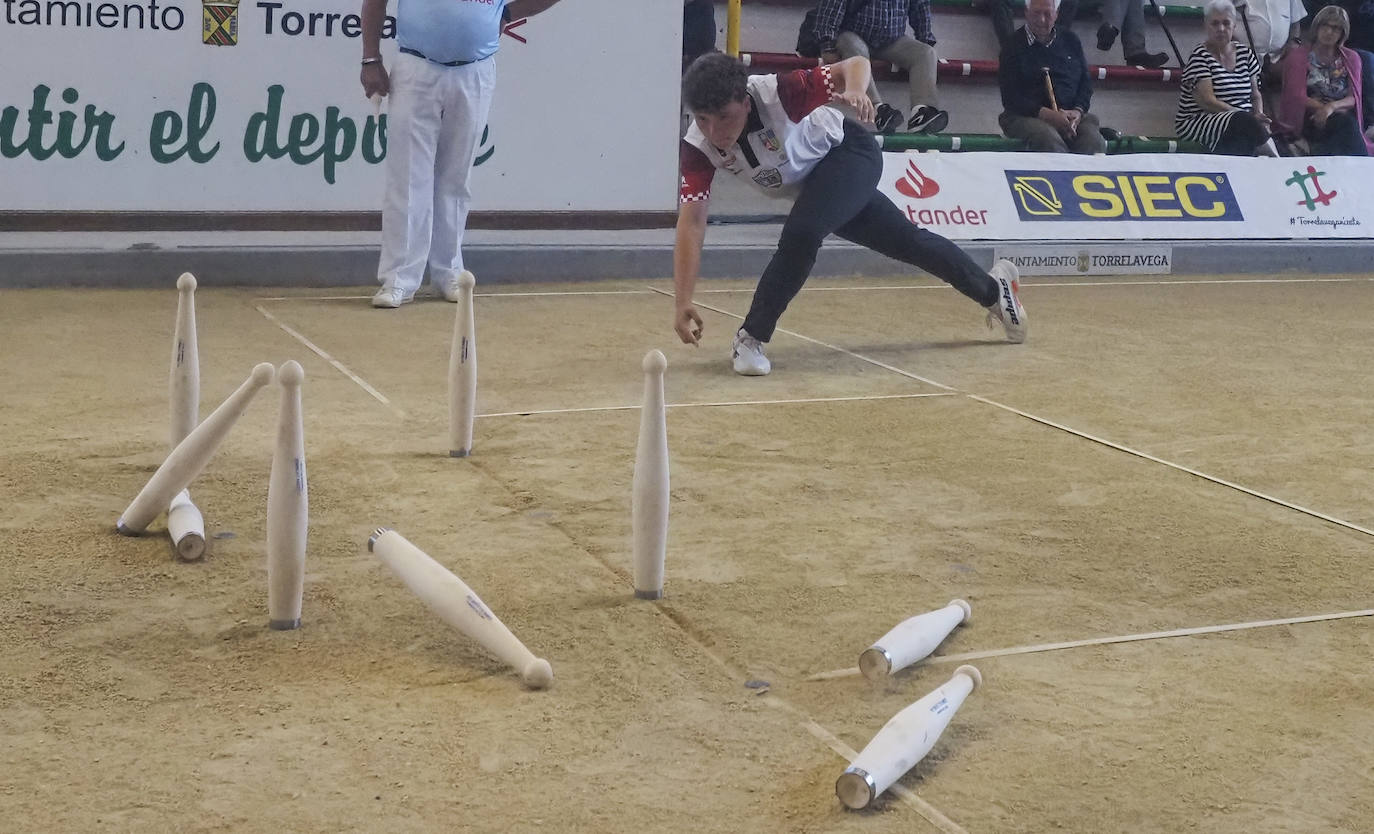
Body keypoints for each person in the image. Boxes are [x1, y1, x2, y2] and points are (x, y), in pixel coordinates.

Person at [673, 53, 1026, 377]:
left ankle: (750, 338)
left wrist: (857, 91)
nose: (715, 133)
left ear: (746, 103)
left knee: (802, 233)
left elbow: (853, 64)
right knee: (909, 242)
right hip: (818, 187)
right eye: (703, 120)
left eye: (725, 118)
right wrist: (683, 300)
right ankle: (994, 291)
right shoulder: (698, 148)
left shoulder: (781, 93)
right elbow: (692, 222)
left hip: (849, 153)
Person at [360, 0, 565, 309]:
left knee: (456, 179)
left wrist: (508, 13)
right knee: (407, 177)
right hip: (416, 67)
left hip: (475, 70)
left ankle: (449, 272)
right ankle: (399, 278)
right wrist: (370, 58)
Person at [810, 0, 951, 134]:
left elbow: (920, 8)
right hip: (853, 34)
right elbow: (830, 9)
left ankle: (921, 112)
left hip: (891, 40)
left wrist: (925, 40)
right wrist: (827, 46)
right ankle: (877, 109)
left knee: (926, 52)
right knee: (851, 44)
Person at [998, 0, 1109, 153]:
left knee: (1094, 141)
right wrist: (1047, 114)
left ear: (1056, 15)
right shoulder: (1012, 45)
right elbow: (1011, 97)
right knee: (1049, 139)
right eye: (1036, 13)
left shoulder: (1071, 40)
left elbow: (1085, 84)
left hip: (1071, 115)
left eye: (1047, 14)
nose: (1042, 19)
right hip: (1025, 116)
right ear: (1026, 13)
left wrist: (1077, 112)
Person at [1175, 0, 1273, 154]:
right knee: (1242, 124)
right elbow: (1208, 102)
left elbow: (1255, 94)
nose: (1221, 28)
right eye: (1215, 23)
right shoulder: (1199, 57)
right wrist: (1243, 115)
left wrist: (1258, 113)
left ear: (1234, 26)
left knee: (1242, 135)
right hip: (1200, 120)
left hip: (1240, 122)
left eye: (1226, 23)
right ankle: (1275, 159)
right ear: (1206, 26)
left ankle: (1238, 171)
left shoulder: (1245, 54)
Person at [1275, 4, 1373, 154]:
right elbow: (1296, 96)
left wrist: (1330, 108)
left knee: (1344, 126)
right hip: (1308, 115)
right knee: (1344, 126)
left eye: (1335, 28)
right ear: (1317, 27)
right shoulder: (1298, 56)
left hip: (1339, 113)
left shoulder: (1352, 58)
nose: (1329, 31)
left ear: (1342, 33)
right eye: (1325, 26)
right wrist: (1322, 109)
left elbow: (1353, 98)